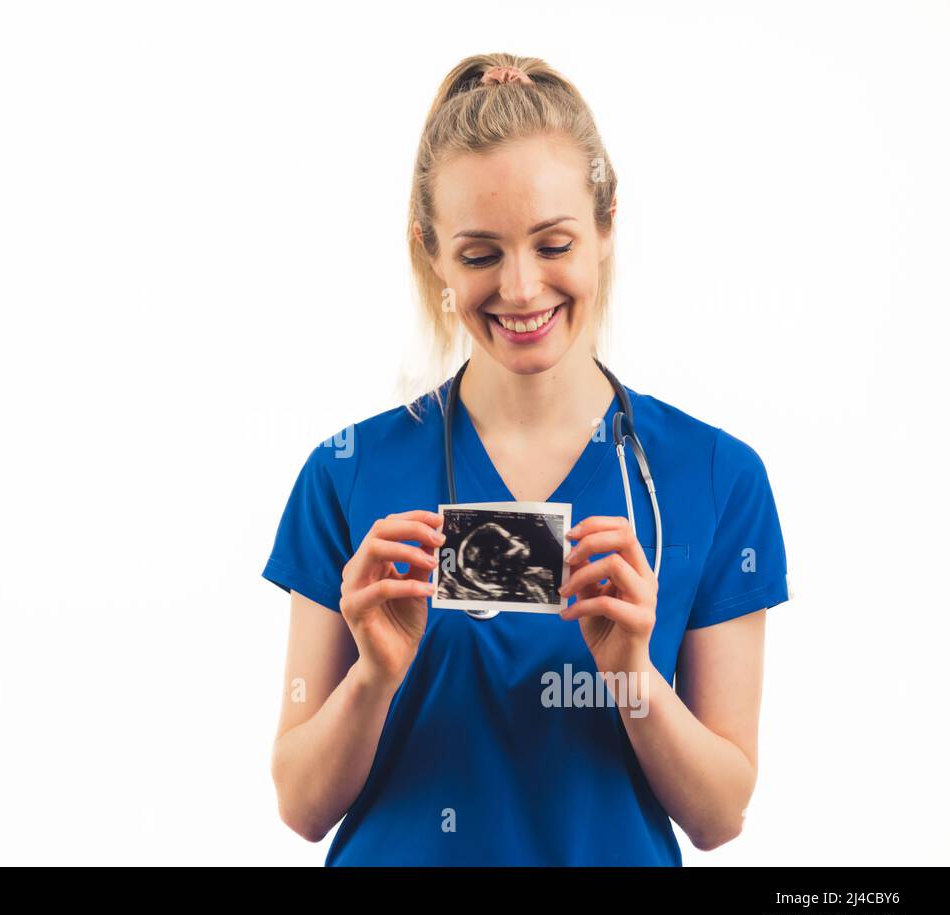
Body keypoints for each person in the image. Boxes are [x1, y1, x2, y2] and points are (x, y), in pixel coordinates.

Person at [261, 54, 791, 865]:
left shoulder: (716, 476)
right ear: (431, 254)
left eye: (553, 243)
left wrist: (632, 677)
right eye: (479, 255)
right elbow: (300, 805)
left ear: (607, 225)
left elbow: (720, 816)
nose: (520, 288)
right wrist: (373, 676)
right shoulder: (346, 471)